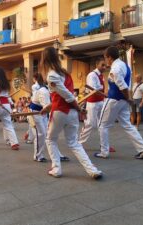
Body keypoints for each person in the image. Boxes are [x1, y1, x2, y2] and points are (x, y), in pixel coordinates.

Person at [40, 47, 102, 179]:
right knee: (74, 143)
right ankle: (92, 170)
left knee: (50, 139)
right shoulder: (65, 74)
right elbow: (63, 95)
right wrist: (48, 107)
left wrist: (79, 109)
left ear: (44, 60)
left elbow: (66, 96)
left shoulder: (51, 75)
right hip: (71, 112)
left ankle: (56, 169)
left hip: (61, 112)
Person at [95, 46, 143, 160]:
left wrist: (128, 98)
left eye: (105, 58)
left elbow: (122, 86)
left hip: (114, 100)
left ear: (109, 57)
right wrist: (126, 98)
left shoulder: (115, 68)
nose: (105, 61)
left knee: (102, 125)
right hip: (122, 101)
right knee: (128, 125)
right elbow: (123, 85)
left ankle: (104, 152)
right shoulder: (124, 65)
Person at [79, 57, 107, 145]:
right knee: (90, 124)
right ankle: (79, 143)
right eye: (102, 65)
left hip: (101, 101)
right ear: (97, 65)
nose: (104, 67)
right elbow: (93, 90)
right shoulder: (92, 75)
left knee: (102, 124)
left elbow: (99, 88)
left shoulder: (101, 75)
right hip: (92, 103)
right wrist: (102, 88)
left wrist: (102, 90)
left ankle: (104, 145)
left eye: (105, 65)